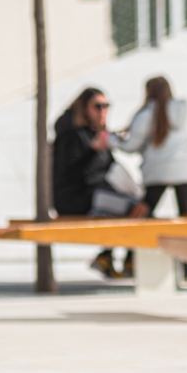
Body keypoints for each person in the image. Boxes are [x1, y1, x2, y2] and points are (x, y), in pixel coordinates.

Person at [117, 77, 187, 281]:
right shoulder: (180, 110)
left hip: (157, 172)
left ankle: (129, 258)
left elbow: (130, 146)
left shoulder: (144, 115)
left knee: (142, 212)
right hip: (184, 170)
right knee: (185, 217)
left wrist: (111, 140)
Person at [51, 88, 133, 279]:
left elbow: (109, 169)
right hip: (74, 198)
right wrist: (93, 150)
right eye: (98, 106)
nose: (103, 110)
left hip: (95, 194)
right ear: (84, 107)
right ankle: (123, 259)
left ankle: (111, 257)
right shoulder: (71, 135)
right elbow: (70, 174)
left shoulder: (98, 134)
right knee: (131, 207)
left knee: (138, 204)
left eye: (106, 106)